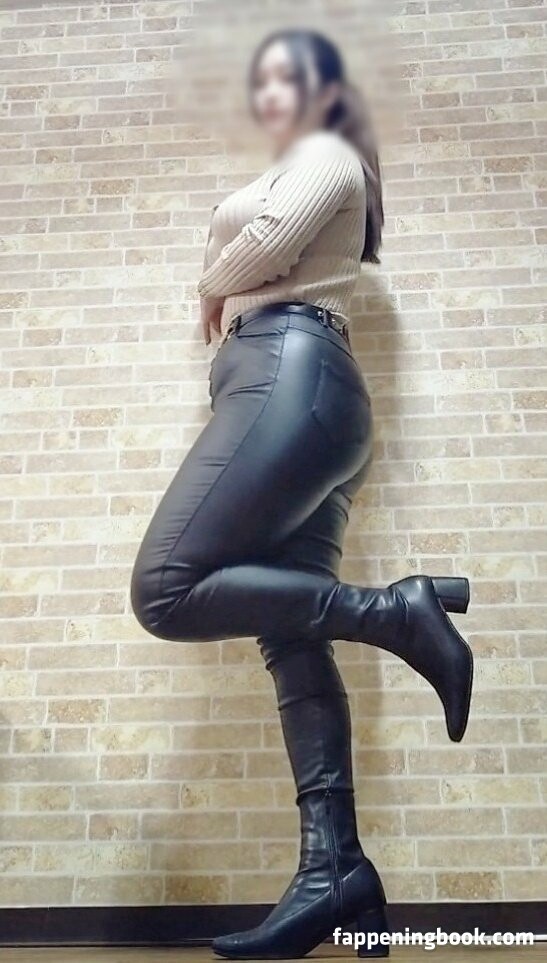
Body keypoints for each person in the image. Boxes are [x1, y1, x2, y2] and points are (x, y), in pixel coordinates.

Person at [130, 28, 474, 961]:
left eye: (289, 73)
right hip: (294, 391)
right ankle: (336, 873)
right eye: (264, 78)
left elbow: (271, 243)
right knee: (291, 634)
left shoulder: (329, 149)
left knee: (165, 588)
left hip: (291, 377)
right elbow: (265, 243)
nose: (270, 89)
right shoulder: (295, 163)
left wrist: (209, 286)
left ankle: (395, 611)